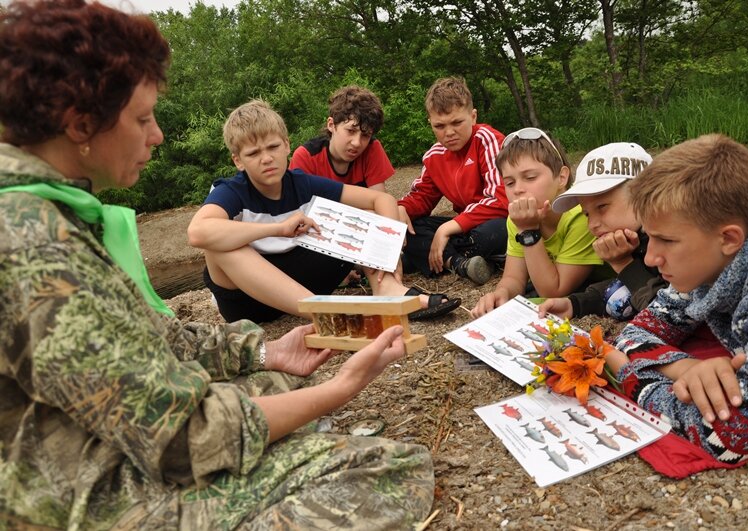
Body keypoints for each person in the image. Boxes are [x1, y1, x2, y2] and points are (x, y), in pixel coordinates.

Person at [0, 1, 434, 528]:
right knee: (388, 470)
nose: (157, 135)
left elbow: (152, 336)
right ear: (80, 124)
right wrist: (338, 390)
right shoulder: (33, 243)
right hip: (78, 491)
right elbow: (183, 437)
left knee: (277, 385)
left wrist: (268, 349)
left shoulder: (46, 212)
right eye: (142, 118)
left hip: (101, 441)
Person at [605, 134, 748, 463]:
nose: (650, 258)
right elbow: (635, 333)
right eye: (649, 237)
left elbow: (732, 438)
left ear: (728, 238)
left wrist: (630, 376)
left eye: (666, 240)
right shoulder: (705, 261)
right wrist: (686, 367)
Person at [187, 99, 460, 323]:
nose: (266, 158)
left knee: (353, 214)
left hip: (305, 280)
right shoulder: (231, 190)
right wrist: (276, 229)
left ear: (286, 145)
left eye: (272, 147)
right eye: (253, 153)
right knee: (218, 244)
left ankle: (387, 290)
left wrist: (388, 253)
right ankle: (323, 312)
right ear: (238, 161)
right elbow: (198, 233)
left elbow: (381, 202)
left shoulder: (301, 183)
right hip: (247, 302)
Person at [470, 128, 608, 317]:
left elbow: (554, 291)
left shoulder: (580, 215)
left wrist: (529, 232)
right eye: (509, 183)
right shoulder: (517, 219)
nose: (518, 189)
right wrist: (502, 293)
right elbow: (513, 277)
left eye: (530, 178)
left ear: (561, 177)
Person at [397, 77, 508, 285]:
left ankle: (435, 257)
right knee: (408, 226)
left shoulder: (487, 139)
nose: (449, 132)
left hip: (489, 223)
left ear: (473, 117)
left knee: (495, 231)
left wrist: (447, 228)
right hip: (464, 229)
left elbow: (501, 199)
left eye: (457, 122)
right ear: (430, 123)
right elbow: (421, 198)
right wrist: (402, 209)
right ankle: (460, 263)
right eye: (440, 126)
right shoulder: (433, 155)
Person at [537, 142, 665, 320]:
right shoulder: (633, 237)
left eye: (602, 207)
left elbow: (666, 313)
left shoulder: (674, 239)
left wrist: (623, 264)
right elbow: (622, 288)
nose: (592, 225)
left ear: (643, 195)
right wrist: (575, 304)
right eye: (587, 213)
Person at [289, 85, 393, 191]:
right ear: (331, 125)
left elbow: (380, 201)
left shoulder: (372, 149)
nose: (357, 143)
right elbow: (298, 206)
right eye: (351, 131)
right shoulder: (306, 157)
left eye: (366, 135)